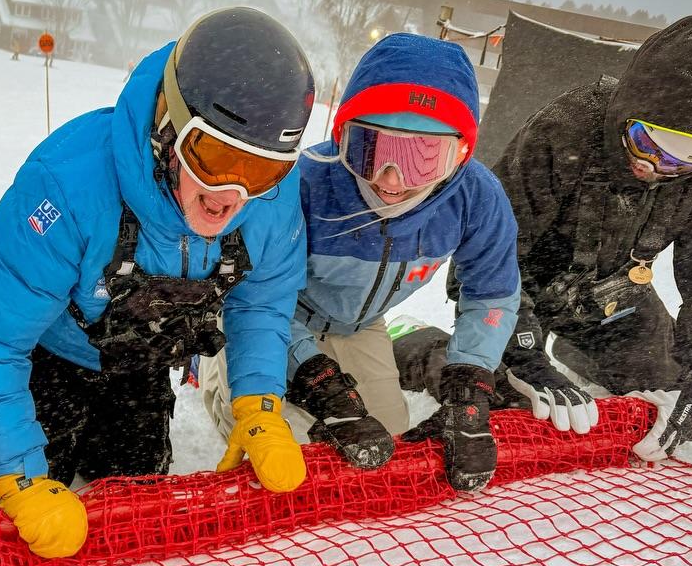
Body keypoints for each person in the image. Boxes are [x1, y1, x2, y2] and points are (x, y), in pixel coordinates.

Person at [0, 7, 315, 559]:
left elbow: (262, 304)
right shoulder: (68, 185)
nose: (231, 196)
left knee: (137, 487)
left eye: (262, 169)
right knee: (6, 480)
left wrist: (259, 405)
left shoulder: (270, 200)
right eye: (213, 157)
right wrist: (20, 477)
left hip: (139, 362)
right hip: (50, 353)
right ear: (168, 126)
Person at [410, 13, 692, 460]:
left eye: (685, 163)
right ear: (630, 108)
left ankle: (580, 350)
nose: (657, 168)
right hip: (519, 291)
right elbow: (492, 248)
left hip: (613, 297)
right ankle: (421, 347)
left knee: (667, 391)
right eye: (647, 144)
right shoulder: (567, 126)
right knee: (503, 400)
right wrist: (523, 351)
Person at [200, 32, 521, 493]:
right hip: (276, 319)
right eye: (370, 151)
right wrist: (318, 379)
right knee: (290, 449)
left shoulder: (476, 199)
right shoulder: (303, 184)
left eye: (422, 159)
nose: (391, 181)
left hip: (358, 324)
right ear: (342, 136)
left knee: (385, 443)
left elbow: (491, 296)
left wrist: (468, 387)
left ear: (461, 154)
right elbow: (257, 299)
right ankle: (212, 368)